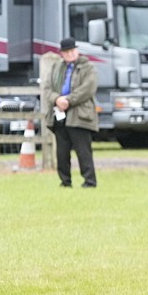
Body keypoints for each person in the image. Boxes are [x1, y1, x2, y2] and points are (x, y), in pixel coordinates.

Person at [45, 37, 99, 188]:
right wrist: (57, 99)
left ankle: (89, 181)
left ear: (77, 51)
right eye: (66, 52)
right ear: (62, 53)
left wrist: (69, 100)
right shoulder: (57, 67)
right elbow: (47, 88)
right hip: (59, 114)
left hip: (80, 113)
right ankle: (65, 181)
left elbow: (88, 88)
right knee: (61, 152)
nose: (69, 54)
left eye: (72, 51)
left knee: (83, 151)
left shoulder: (88, 67)